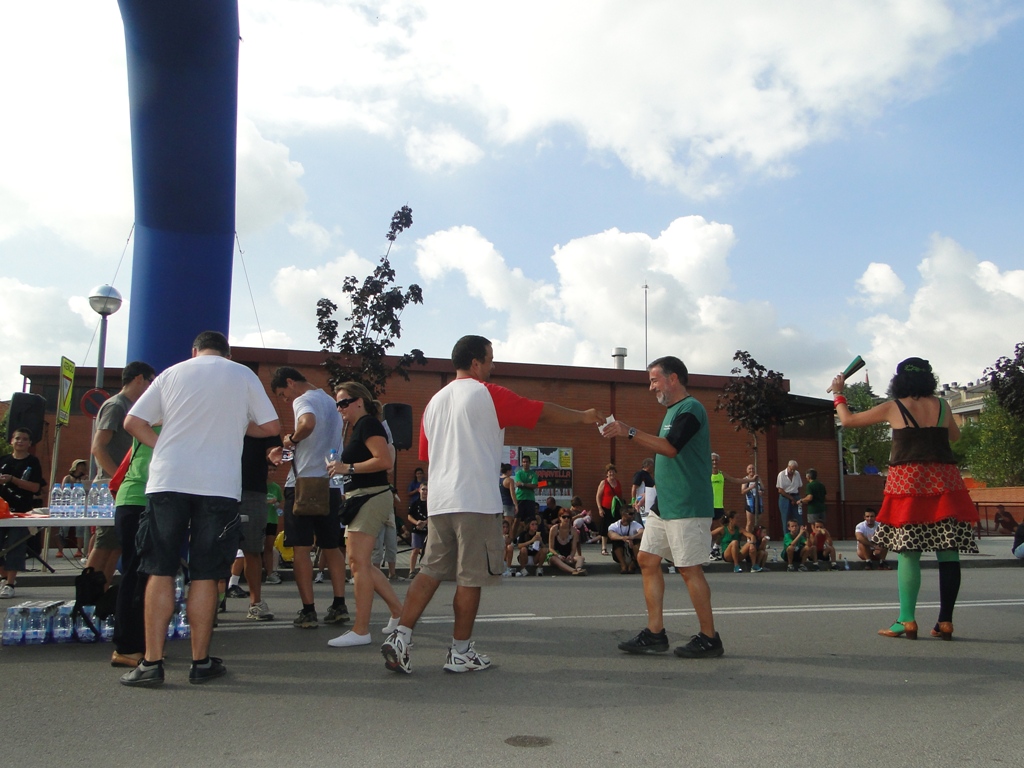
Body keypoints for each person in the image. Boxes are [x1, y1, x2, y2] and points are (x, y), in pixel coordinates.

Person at [381, 334, 603, 674]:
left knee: (430, 571)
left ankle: (401, 635)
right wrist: (584, 416)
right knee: (471, 578)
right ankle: (460, 652)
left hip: (440, 501)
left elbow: (427, 455)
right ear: (475, 363)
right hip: (476, 501)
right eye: (490, 359)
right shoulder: (488, 394)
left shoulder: (433, 403)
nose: (493, 365)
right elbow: (539, 412)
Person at [120, 331, 280, 686]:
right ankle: (200, 661)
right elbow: (271, 426)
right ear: (227, 353)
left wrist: (162, 445)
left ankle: (151, 663)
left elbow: (133, 422)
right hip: (217, 485)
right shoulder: (242, 375)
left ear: (194, 351)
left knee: (159, 570)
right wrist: (237, 424)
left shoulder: (172, 373)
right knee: (207, 573)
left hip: (168, 479)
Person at [831, 357, 978, 642]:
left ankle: (907, 620)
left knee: (909, 551)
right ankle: (945, 622)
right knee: (948, 553)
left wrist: (839, 391)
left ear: (899, 381)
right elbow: (955, 437)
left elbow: (847, 420)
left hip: (908, 482)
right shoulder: (943, 406)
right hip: (944, 480)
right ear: (929, 379)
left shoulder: (893, 407)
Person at [604, 355, 724, 659]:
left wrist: (629, 431)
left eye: (654, 380)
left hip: (687, 504)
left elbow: (670, 448)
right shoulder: (673, 411)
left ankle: (710, 637)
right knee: (646, 559)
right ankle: (655, 633)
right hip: (665, 504)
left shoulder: (691, 408)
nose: (650, 387)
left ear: (673, 378)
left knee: (688, 568)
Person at [269, 367, 350, 631]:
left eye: (283, 394)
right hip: (330, 483)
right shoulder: (330, 400)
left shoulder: (302, 400)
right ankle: (340, 605)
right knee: (332, 548)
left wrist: (291, 439)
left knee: (301, 549)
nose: (285, 400)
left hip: (302, 484)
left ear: (290, 383)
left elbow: (307, 424)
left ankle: (308, 610)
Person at [325, 381, 403, 647]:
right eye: (337, 404)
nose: (340, 408)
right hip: (364, 497)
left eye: (343, 402)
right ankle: (398, 613)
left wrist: (347, 468)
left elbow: (384, 461)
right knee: (362, 563)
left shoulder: (368, 424)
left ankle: (361, 629)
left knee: (358, 562)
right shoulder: (362, 426)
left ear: (359, 401)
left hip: (370, 496)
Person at [88, 360, 156, 585]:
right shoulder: (117, 405)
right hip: (112, 484)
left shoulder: (133, 407)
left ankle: (102, 594)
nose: (151, 387)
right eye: (150, 381)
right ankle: (87, 597)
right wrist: (119, 477)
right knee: (104, 544)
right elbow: (98, 447)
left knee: (117, 546)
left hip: (120, 484)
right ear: (139, 379)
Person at [109, 427, 160, 668]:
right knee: (136, 574)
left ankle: (142, 643)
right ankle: (126, 647)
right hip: (137, 500)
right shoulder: (153, 414)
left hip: (151, 501)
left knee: (148, 576)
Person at [239, 434, 282, 621]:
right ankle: (214, 601)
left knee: (253, 549)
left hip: (253, 490)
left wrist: (274, 453)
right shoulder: (219, 413)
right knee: (216, 549)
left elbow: (275, 446)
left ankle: (255, 603)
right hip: (219, 488)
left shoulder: (261, 419)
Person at [0, 428, 44, 599]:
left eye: (24, 439)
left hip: (20, 512)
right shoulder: (3, 460)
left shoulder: (33, 462)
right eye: (17, 438)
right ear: (11, 441)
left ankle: (11, 583)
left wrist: (12, 480)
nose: (20, 441)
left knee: (15, 545)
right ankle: (3, 578)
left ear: (29, 443)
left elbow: (35, 487)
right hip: (1, 512)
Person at [709, 453, 743, 560]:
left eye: (716, 460)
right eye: (713, 460)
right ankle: (707, 550)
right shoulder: (706, 474)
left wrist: (750, 481)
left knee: (724, 528)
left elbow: (736, 480)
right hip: (708, 506)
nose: (714, 462)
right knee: (707, 530)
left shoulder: (721, 474)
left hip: (719, 506)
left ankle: (715, 548)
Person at [57, 459, 89, 558]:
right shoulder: (68, 478)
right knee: (63, 529)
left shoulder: (85, 478)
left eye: (83, 466)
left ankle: (79, 550)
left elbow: (87, 490)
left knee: (80, 529)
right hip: (68, 506)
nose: (82, 468)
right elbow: (62, 491)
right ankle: (60, 550)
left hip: (80, 506)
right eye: (80, 465)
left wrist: (83, 480)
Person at [594, 463, 625, 556]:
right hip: (606, 508)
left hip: (616, 509)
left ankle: (615, 548)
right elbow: (598, 496)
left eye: (613, 472)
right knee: (605, 528)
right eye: (610, 472)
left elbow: (620, 496)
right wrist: (599, 508)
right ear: (607, 473)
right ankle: (604, 548)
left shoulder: (618, 482)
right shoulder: (604, 483)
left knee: (616, 528)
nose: (611, 474)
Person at [546, 509, 587, 575]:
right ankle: (573, 570)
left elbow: (574, 549)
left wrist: (571, 556)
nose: (566, 519)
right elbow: (551, 548)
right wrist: (558, 555)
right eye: (564, 517)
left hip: (567, 556)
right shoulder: (554, 529)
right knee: (553, 558)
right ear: (559, 517)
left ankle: (579, 568)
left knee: (581, 558)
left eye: (568, 517)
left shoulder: (573, 531)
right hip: (556, 556)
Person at [607, 509, 644, 574]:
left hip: (632, 550)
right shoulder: (615, 525)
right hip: (621, 551)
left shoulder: (636, 524)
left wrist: (632, 537)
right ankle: (623, 565)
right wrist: (623, 538)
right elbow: (611, 535)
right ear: (623, 514)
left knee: (637, 542)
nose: (633, 516)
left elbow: (642, 532)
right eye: (631, 514)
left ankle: (633, 563)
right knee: (616, 542)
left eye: (634, 513)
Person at [512, 455, 539, 539]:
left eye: (527, 462)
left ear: (530, 463)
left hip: (530, 499)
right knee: (517, 520)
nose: (525, 463)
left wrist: (524, 484)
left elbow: (534, 485)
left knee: (531, 521)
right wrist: (527, 485)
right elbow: (518, 484)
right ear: (522, 463)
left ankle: (530, 539)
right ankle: (512, 539)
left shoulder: (533, 474)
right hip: (520, 499)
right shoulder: (519, 473)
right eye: (524, 462)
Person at [776, 460, 802, 524]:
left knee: (798, 518)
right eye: (791, 469)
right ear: (788, 466)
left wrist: (797, 498)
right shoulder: (781, 474)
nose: (793, 471)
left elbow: (799, 486)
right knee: (786, 519)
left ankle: (800, 533)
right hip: (785, 497)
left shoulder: (797, 474)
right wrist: (791, 498)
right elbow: (780, 490)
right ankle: (786, 534)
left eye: (794, 470)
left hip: (795, 496)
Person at [740, 464, 764, 533]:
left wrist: (762, 492)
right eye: (749, 469)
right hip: (749, 502)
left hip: (759, 501)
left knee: (758, 521)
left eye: (753, 468)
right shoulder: (745, 479)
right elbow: (743, 491)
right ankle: (748, 538)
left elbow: (763, 488)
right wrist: (751, 487)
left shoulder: (758, 478)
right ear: (747, 470)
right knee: (749, 522)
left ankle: (756, 536)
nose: (751, 470)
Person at [499, 464, 517, 529]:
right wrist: (516, 505)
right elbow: (512, 494)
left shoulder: (498, 479)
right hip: (508, 504)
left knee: (501, 524)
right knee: (508, 525)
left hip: (500, 504)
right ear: (508, 471)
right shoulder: (509, 480)